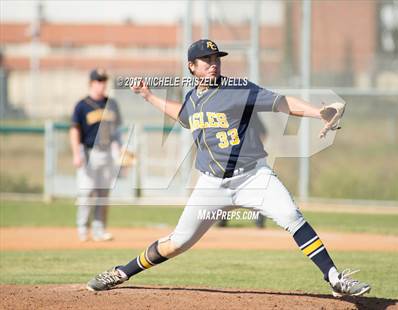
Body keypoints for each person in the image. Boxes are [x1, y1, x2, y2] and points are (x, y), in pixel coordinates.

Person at [86, 40, 370, 297]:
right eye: (207, 60)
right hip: (211, 185)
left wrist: (318, 112)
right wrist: (149, 96)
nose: (214, 64)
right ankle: (121, 272)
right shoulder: (193, 97)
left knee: (292, 216)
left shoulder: (237, 88)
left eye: (217, 59)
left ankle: (335, 278)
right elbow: (184, 117)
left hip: (253, 177)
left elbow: (282, 103)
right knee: (178, 242)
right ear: (192, 67)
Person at [70, 68, 122, 242]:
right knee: (86, 192)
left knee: (103, 194)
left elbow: (116, 130)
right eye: (98, 81)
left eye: (103, 81)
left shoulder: (111, 103)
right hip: (88, 151)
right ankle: (82, 229)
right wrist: (76, 153)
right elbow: (74, 130)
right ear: (91, 83)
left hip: (107, 153)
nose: (101, 84)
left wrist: (120, 150)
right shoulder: (82, 105)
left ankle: (99, 230)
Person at [217, 114, 268, 228]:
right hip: (229, 159)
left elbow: (263, 132)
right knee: (225, 188)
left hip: (248, 159)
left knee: (254, 189)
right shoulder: (223, 114)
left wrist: (255, 147)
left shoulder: (251, 113)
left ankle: (259, 219)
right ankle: (222, 219)